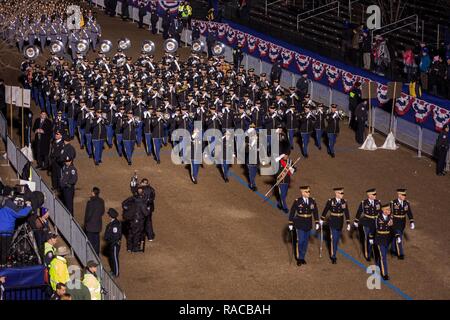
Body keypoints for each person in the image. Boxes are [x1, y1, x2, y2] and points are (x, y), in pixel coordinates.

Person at [288, 186, 319, 266]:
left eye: (309, 191)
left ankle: (302, 257)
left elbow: (315, 211)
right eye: (307, 192)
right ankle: (298, 258)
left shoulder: (312, 201)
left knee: (305, 242)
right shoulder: (297, 201)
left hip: (308, 223)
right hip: (300, 224)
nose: (309, 193)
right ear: (302, 193)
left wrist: (317, 222)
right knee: (300, 241)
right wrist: (290, 223)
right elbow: (292, 212)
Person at [320, 188, 351, 264]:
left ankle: (334, 252)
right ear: (336, 193)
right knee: (334, 239)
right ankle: (333, 256)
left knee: (336, 239)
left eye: (342, 193)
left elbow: (346, 212)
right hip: (332, 222)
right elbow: (325, 210)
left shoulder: (344, 202)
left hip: (340, 222)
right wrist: (321, 219)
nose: (342, 195)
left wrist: (348, 223)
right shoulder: (331, 201)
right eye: (341, 193)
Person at [0, 199, 33, 266]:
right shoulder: (10, 207)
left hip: (1, 230)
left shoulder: (2, 206)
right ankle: (3, 265)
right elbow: (21, 214)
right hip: (7, 231)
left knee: (2, 249)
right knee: (5, 250)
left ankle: (2, 264)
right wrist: (29, 206)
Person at [354, 188, 382, 261]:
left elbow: (381, 213)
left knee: (375, 238)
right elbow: (359, 212)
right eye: (373, 194)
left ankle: (375, 254)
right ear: (369, 195)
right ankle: (368, 254)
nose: (375, 195)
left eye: (375, 194)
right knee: (368, 239)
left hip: (375, 223)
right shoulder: (364, 203)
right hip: (366, 223)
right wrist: (356, 221)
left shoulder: (378, 202)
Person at [390, 189, 414, 260]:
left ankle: (393, 250)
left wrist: (411, 221)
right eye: (403, 195)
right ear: (399, 195)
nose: (404, 196)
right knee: (399, 237)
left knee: (395, 237)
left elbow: (409, 212)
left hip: (403, 222)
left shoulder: (406, 203)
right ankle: (401, 254)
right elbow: (390, 214)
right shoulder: (393, 203)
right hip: (395, 222)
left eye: (405, 195)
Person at [374, 204, 395, 280]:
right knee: (383, 257)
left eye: (389, 210)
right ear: (383, 210)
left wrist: (397, 235)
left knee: (382, 255)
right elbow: (374, 228)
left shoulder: (391, 218)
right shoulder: (378, 218)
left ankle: (377, 268)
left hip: (387, 239)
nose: (389, 211)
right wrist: (370, 236)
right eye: (387, 210)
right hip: (379, 239)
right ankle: (384, 274)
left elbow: (393, 228)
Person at [84, 187, 105, 256]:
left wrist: (86, 222)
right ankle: (97, 255)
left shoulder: (90, 202)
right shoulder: (101, 201)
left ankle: (91, 255)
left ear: (93, 193)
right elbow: (102, 212)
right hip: (98, 224)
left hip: (90, 225)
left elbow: (88, 214)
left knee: (90, 242)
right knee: (97, 241)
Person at [105, 208, 122, 277]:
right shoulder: (113, 223)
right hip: (112, 243)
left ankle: (116, 273)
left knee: (114, 258)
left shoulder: (115, 225)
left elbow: (116, 236)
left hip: (114, 244)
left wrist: (112, 242)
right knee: (112, 257)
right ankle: (113, 270)